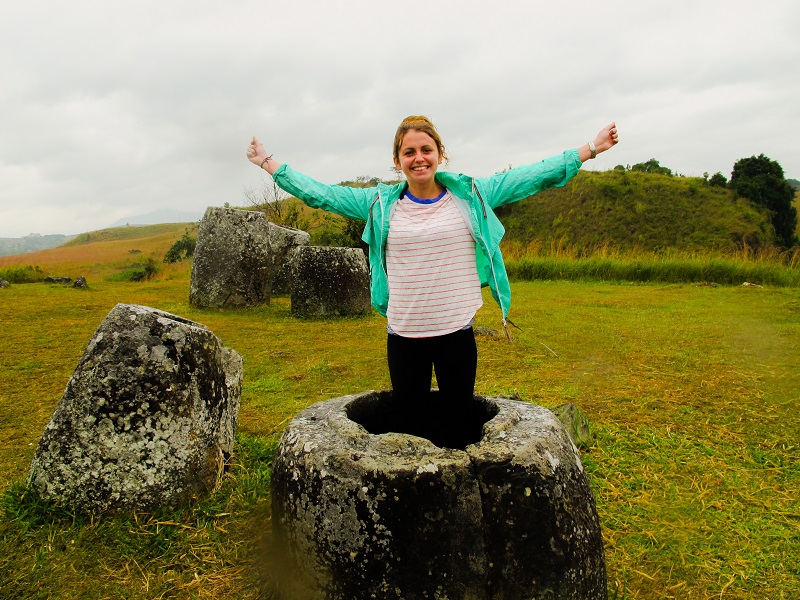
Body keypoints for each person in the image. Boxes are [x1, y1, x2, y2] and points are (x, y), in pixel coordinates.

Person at [246, 116, 618, 447]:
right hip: (405, 338)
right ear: (397, 161)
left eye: (426, 149)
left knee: (458, 429)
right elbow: (321, 194)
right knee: (410, 432)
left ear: (440, 154)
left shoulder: (471, 195)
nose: (419, 157)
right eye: (409, 152)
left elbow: (531, 177)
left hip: (456, 335)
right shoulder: (377, 204)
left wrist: (590, 149)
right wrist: (268, 163)